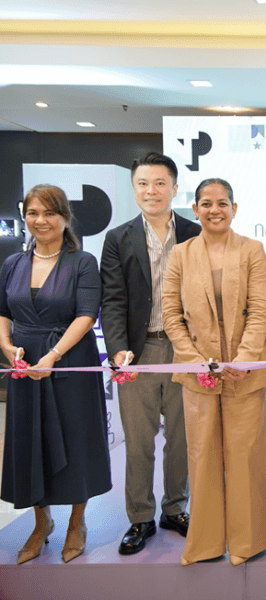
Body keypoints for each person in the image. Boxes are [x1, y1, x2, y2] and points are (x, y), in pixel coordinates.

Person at [162, 178, 266, 566]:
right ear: (194, 209)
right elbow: (171, 314)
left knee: (246, 456)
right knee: (202, 456)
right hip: (197, 373)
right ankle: (207, 543)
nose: (215, 210)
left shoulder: (252, 250)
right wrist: (192, 357)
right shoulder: (180, 254)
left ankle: (248, 542)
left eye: (222, 203)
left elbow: (261, 310)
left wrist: (244, 358)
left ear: (234, 208)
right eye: (206, 203)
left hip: (247, 372)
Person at [0, 184, 111, 564]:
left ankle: (77, 521)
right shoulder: (12, 264)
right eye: (33, 213)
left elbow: (86, 314)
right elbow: (3, 313)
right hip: (25, 364)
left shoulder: (82, 262)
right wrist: (6, 346)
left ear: (65, 218)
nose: (40, 221)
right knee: (29, 441)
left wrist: (52, 356)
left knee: (75, 440)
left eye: (49, 213)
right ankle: (40, 521)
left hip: (68, 364)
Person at [100, 152, 200, 555]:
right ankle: (139, 517)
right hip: (138, 354)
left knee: (182, 438)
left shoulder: (195, 232)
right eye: (143, 183)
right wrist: (118, 350)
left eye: (160, 183)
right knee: (139, 441)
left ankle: (175, 508)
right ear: (134, 189)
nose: (151, 191)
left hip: (184, 351)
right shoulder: (118, 238)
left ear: (175, 189)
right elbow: (113, 298)